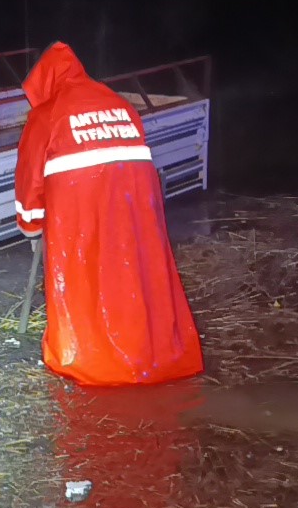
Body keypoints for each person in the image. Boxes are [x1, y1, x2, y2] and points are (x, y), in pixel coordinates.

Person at [14, 42, 203, 386]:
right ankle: (146, 350)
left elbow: (30, 178)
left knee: (86, 281)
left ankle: (94, 358)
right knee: (135, 275)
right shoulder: (120, 105)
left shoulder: (47, 115)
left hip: (80, 212)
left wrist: (31, 223)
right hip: (136, 210)